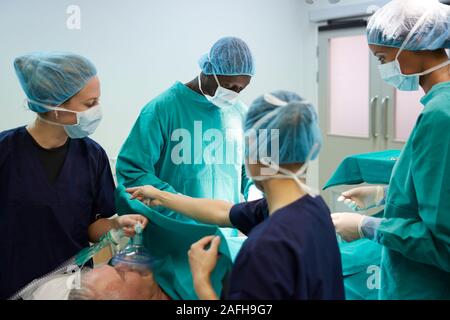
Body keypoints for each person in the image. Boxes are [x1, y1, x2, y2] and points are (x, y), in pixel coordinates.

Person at [127, 91, 345, 300]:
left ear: (254, 150)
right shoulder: (314, 208)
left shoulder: (263, 247)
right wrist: (162, 196)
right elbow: (223, 212)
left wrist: (201, 280)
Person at [0, 52, 146, 299]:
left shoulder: (92, 155)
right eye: (90, 104)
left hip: (69, 288)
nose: (97, 110)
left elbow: (91, 225)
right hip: (11, 284)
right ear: (55, 107)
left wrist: (115, 226)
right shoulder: (5, 152)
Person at [332, 0, 450, 299]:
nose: (383, 67)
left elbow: (443, 242)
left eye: (383, 57)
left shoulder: (441, 114)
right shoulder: (439, 105)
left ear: (417, 46)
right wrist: (383, 194)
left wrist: (367, 226)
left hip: (426, 286)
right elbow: (439, 189)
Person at [116, 37, 259, 227]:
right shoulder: (162, 109)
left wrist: (256, 194)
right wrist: (176, 202)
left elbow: (248, 170)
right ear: (209, 71)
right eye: (230, 86)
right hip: (174, 229)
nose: (235, 93)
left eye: (241, 88)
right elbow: (133, 171)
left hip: (225, 231)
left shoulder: (240, 113)